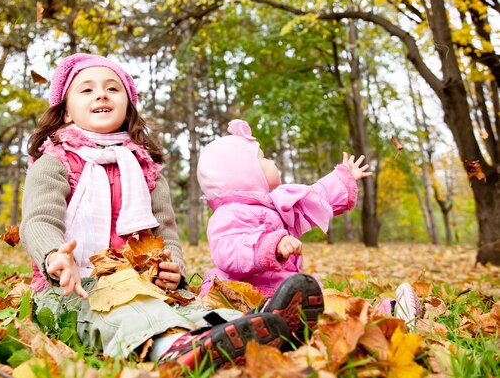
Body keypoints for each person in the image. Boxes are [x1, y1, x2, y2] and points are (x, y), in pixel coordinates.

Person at [20, 53, 324, 370]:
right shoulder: (55, 162)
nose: (101, 94)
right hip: (75, 286)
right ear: (66, 111)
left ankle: (255, 328)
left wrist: (173, 269)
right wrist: (55, 256)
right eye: (86, 90)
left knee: (190, 307)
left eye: (113, 88)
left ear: (127, 107)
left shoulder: (147, 170)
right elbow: (39, 219)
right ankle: (174, 346)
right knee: (129, 313)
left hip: (143, 281)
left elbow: (165, 233)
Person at [196, 119, 373, 300]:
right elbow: (229, 251)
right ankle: (262, 318)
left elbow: (314, 199)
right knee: (302, 297)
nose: (271, 160)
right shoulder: (230, 213)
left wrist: (343, 179)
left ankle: (371, 309)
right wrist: (271, 246)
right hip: (244, 291)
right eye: (263, 158)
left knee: (317, 294)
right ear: (246, 174)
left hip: (279, 286)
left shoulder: (278, 204)